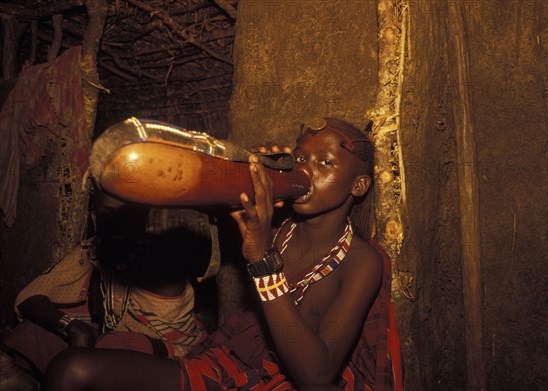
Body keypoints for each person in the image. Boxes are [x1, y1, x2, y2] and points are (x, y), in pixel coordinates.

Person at [44, 117, 401, 390]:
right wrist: (245, 174)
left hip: (292, 383)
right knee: (71, 368)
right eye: (301, 158)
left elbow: (318, 374)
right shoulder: (277, 225)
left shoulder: (361, 260)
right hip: (230, 364)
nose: (306, 170)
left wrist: (263, 261)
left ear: (358, 185)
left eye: (325, 163)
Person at [2, 188, 209, 383]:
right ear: (94, 217)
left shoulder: (160, 262)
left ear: (143, 218)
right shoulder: (95, 249)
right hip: (107, 339)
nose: (117, 225)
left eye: (127, 214)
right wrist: (74, 326)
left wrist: (100, 343)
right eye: (106, 214)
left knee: (108, 347)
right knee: (31, 331)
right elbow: (29, 297)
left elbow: (150, 341)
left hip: (165, 353)